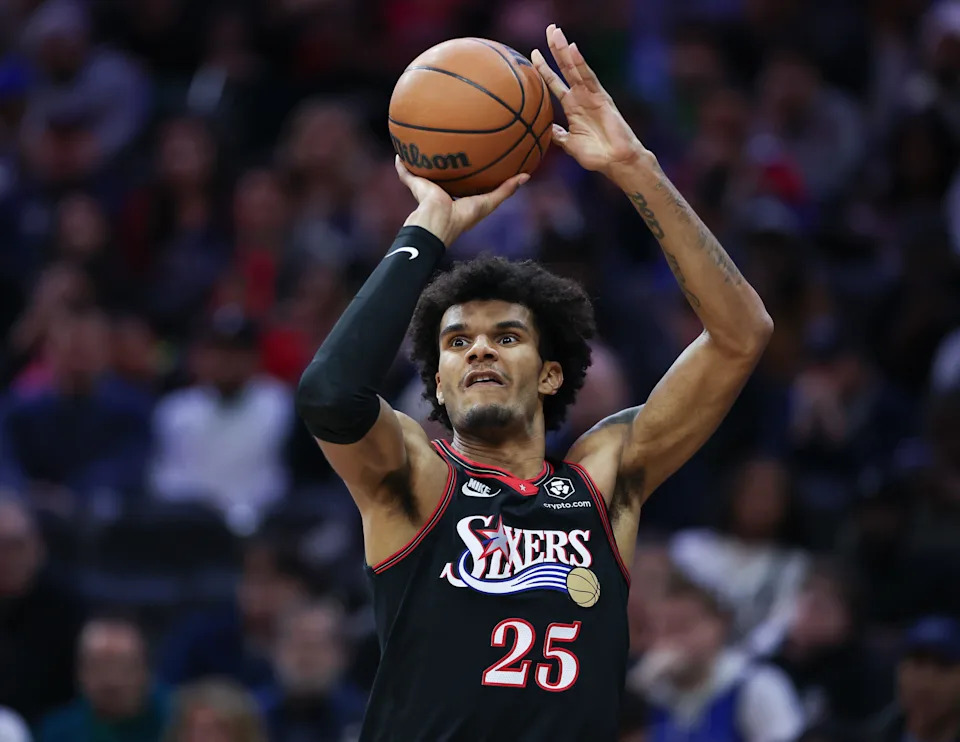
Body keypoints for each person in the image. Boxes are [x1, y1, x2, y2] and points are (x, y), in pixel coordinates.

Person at [295, 25, 773, 741]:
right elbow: (330, 395)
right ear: (440, 382)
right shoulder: (417, 480)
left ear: (552, 373)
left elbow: (742, 335)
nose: (479, 350)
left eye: (506, 337)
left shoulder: (602, 480)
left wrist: (635, 168)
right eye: (457, 342)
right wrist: (428, 227)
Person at [632, 570, 803, 742]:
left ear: (719, 626)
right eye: (660, 629)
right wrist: (633, 694)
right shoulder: (648, 691)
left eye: (683, 627)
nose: (671, 641)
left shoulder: (757, 686)